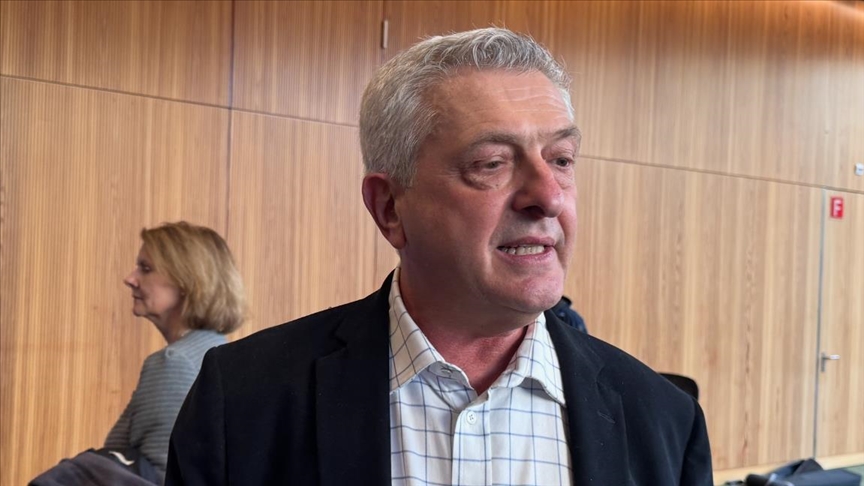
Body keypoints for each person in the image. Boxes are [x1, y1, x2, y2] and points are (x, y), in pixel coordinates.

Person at [166, 28, 712, 485]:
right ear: (390, 208)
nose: (548, 196)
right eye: (492, 163)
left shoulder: (664, 420)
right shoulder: (244, 400)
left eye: (562, 159)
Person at [103, 222, 246, 483]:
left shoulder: (175, 363)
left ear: (186, 282)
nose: (130, 279)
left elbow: (159, 477)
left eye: (145, 268)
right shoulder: (222, 354)